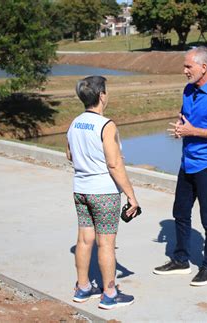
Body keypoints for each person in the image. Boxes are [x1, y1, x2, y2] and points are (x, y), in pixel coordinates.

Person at [153, 47, 207, 286]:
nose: (184, 70)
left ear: (203, 68)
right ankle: (180, 260)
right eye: (184, 66)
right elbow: (185, 115)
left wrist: (193, 131)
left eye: (188, 66)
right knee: (180, 212)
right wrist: (181, 127)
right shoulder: (188, 90)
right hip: (187, 162)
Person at [66, 75, 139, 309]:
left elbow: (70, 155)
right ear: (101, 96)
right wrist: (131, 195)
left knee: (84, 240)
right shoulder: (107, 125)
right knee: (106, 243)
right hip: (104, 193)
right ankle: (109, 293)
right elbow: (114, 165)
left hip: (81, 190)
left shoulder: (75, 123)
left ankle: (83, 287)